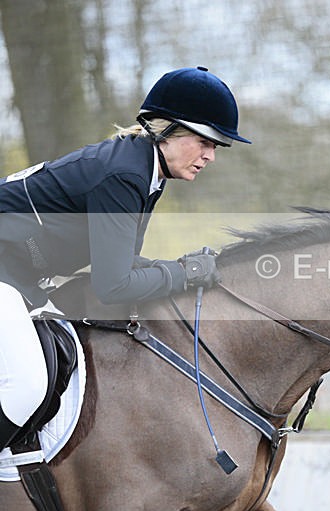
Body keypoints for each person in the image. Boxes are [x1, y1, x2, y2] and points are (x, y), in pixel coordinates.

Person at [0, 66, 250, 450]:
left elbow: (123, 262)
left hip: (19, 272)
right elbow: (113, 285)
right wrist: (183, 274)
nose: (210, 156)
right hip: (8, 270)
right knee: (29, 382)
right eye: (205, 141)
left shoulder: (146, 171)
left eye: (216, 146)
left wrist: (183, 268)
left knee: (63, 360)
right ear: (167, 129)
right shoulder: (125, 175)